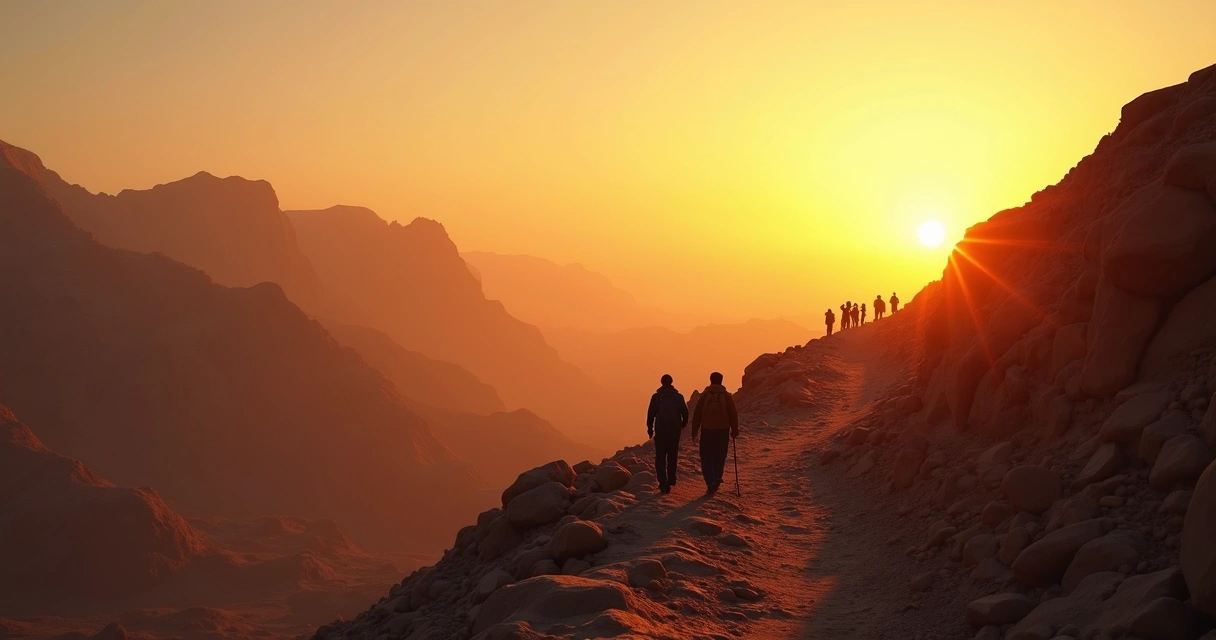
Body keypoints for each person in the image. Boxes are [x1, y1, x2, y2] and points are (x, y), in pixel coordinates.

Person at [691, 371, 739, 496]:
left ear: (710, 380)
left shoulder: (704, 395)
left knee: (706, 456)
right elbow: (733, 414)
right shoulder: (727, 396)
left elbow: (697, 414)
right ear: (721, 381)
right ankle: (717, 478)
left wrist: (694, 431)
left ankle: (710, 481)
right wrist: (734, 430)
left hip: (707, 430)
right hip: (723, 430)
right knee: (720, 456)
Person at [646, 374, 689, 494]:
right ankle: (671, 478)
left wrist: (650, 429)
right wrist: (682, 425)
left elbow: (651, 415)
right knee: (672, 455)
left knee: (660, 456)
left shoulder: (656, 397)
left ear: (661, 382)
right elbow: (685, 413)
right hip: (674, 430)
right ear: (671, 382)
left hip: (660, 430)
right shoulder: (678, 397)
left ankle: (662, 482)